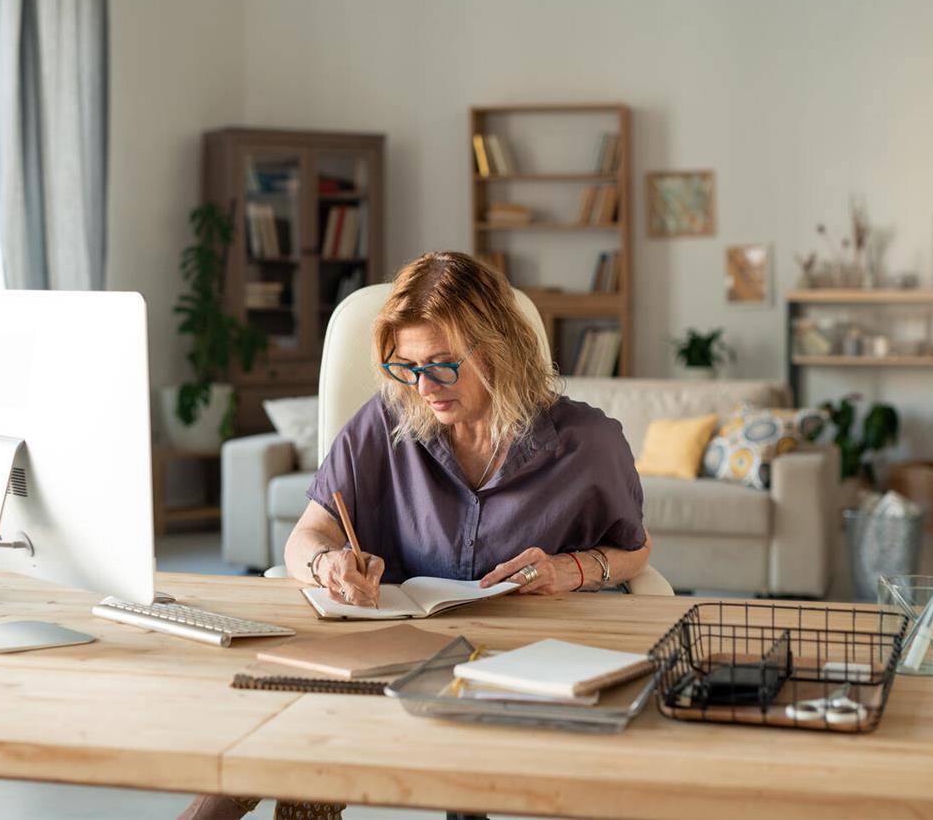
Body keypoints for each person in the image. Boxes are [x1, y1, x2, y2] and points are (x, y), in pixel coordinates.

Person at [179, 252, 650, 820]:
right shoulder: (386, 421)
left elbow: (637, 551)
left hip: (525, 658)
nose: (423, 386)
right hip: (398, 653)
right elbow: (305, 537)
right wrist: (328, 563)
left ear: (498, 348)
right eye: (407, 365)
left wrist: (570, 570)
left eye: (443, 364)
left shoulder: (588, 443)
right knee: (269, 721)